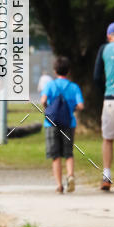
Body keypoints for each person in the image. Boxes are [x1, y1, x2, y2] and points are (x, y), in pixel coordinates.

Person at [40, 56, 84, 193]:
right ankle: (70, 175)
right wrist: (72, 108)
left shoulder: (50, 85)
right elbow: (81, 106)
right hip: (69, 123)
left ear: (54, 71)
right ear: (68, 71)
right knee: (68, 153)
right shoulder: (74, 87)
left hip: (51, 123)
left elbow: (43, 100)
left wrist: (48, 108)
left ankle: (59, 185)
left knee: (55, 155)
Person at [93, 21, 114, 193]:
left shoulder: (104, 49)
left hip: (111, 98)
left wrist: (104, 92)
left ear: (109, 36)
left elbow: (97, 76)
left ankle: (107, 176)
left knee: (108, 138)